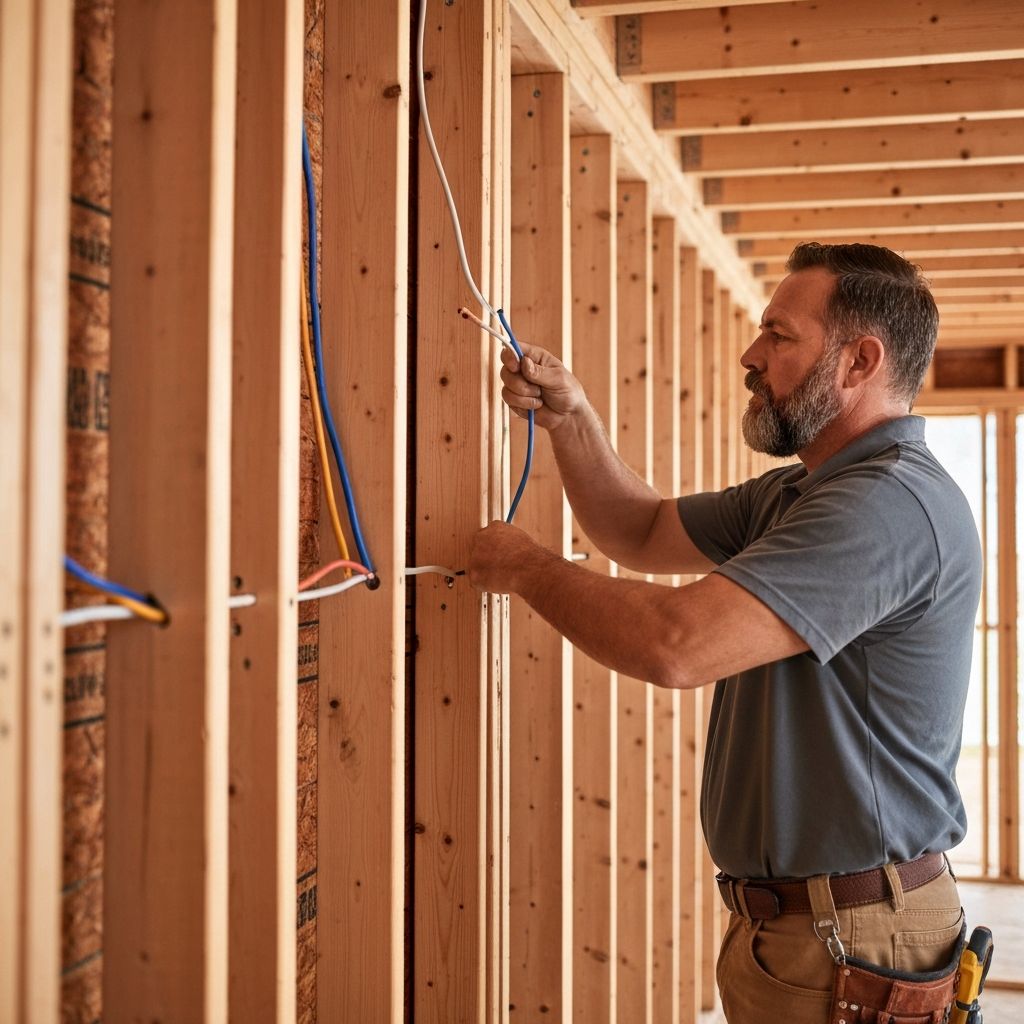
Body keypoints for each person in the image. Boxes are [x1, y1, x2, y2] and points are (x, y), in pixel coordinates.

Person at [468, 242, 982, 1022]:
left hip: (852, 937)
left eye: (780, 336)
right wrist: (571, 419)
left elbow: (678, 645)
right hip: (810, 927)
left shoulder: (884, 507)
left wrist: (527, 569)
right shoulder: (803, 492)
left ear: (858, 361)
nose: (751, 354)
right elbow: (639, 530)